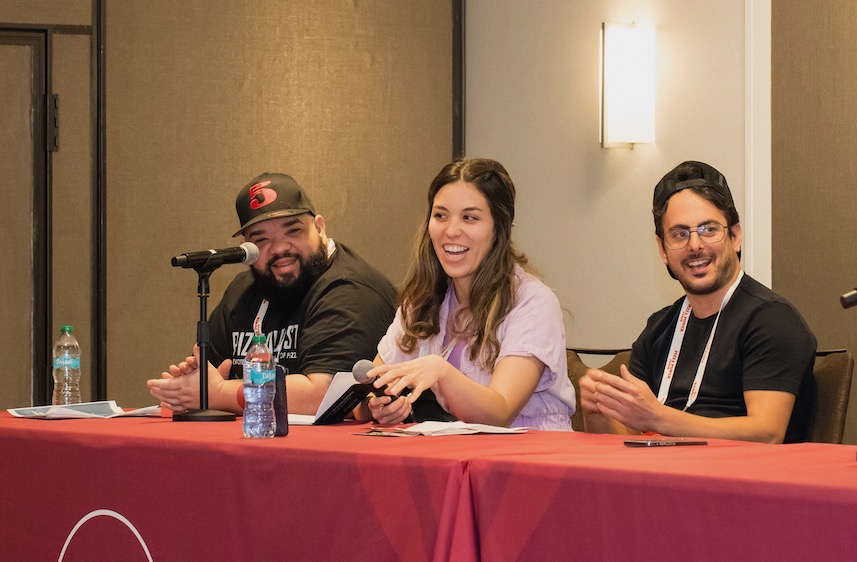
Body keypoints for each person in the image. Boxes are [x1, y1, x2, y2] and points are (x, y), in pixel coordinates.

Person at [579, 160, 817, 442]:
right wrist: (597, 410)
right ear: (662, 249)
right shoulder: (660, 328)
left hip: (741, 481)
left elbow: (767, 433)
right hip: (662, 477)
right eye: (679, 234)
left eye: (708, 229)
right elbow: (624, 438)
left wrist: (658, 417)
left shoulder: (772, 319)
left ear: (736, 236)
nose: (695, 245)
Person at [148, 172, 397, 416]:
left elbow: (323, 396)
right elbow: (209, 376)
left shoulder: (349, 289)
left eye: (293, 231)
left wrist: (220, 393)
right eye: (262, 240)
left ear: (319, 228)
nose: (279, 248)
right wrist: (188, 385)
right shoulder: (243, 291)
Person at [354, 157, 575, 431]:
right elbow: (366, 393)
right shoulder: (423, 300)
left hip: (533, 459)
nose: (451, 231)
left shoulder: (533, 302)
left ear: (499, 228)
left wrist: (442, 372)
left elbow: (499, 413)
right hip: (461, 454)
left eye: (469, 218)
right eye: (440, 216)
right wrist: (377, 406)